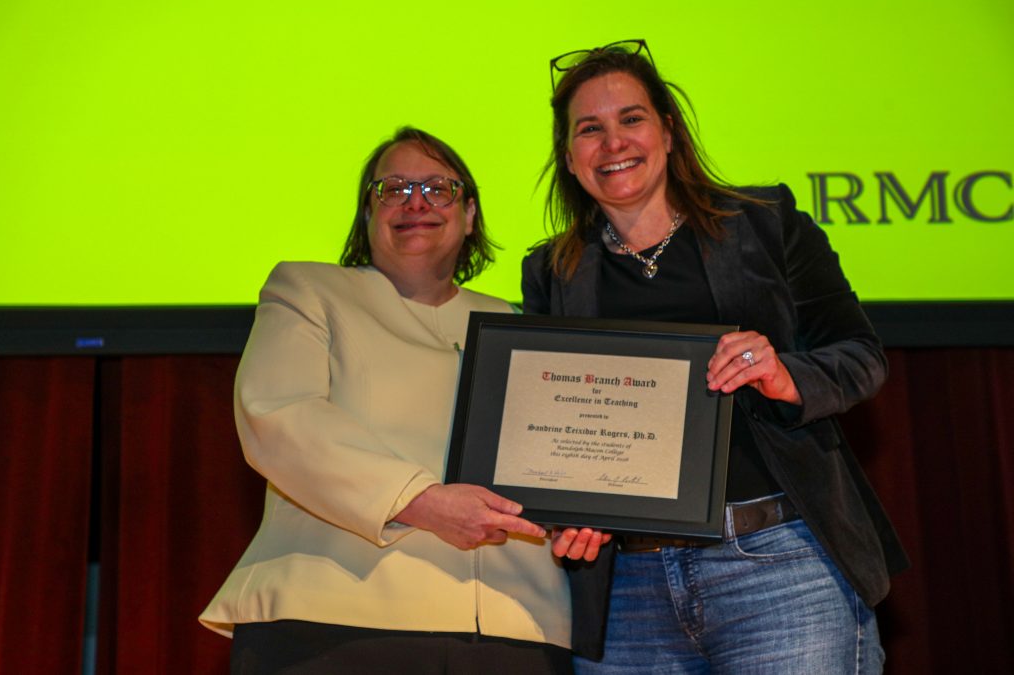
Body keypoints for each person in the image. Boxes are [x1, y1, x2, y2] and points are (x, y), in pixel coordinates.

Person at [522, 40, 909, 674]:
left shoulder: (766, 222)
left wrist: (786, 374)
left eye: (631, 119)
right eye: (589, 129)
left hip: (778, 564)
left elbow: (862, 356)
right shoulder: (552, 271)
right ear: (569, 157)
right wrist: (565, 511)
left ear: (669, 132)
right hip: (626, 594)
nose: (612, 142)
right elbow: (552, 433)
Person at [201, 127, 572, 674]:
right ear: (367, 215)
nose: (415, 202)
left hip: (513, 626)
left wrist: (582, 513)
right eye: (393, 189)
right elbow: (280, 416)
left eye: (438, 189)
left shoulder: (520, 325)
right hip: (335, 620)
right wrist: (424, 503)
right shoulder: (307, 292)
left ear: (469, 215)